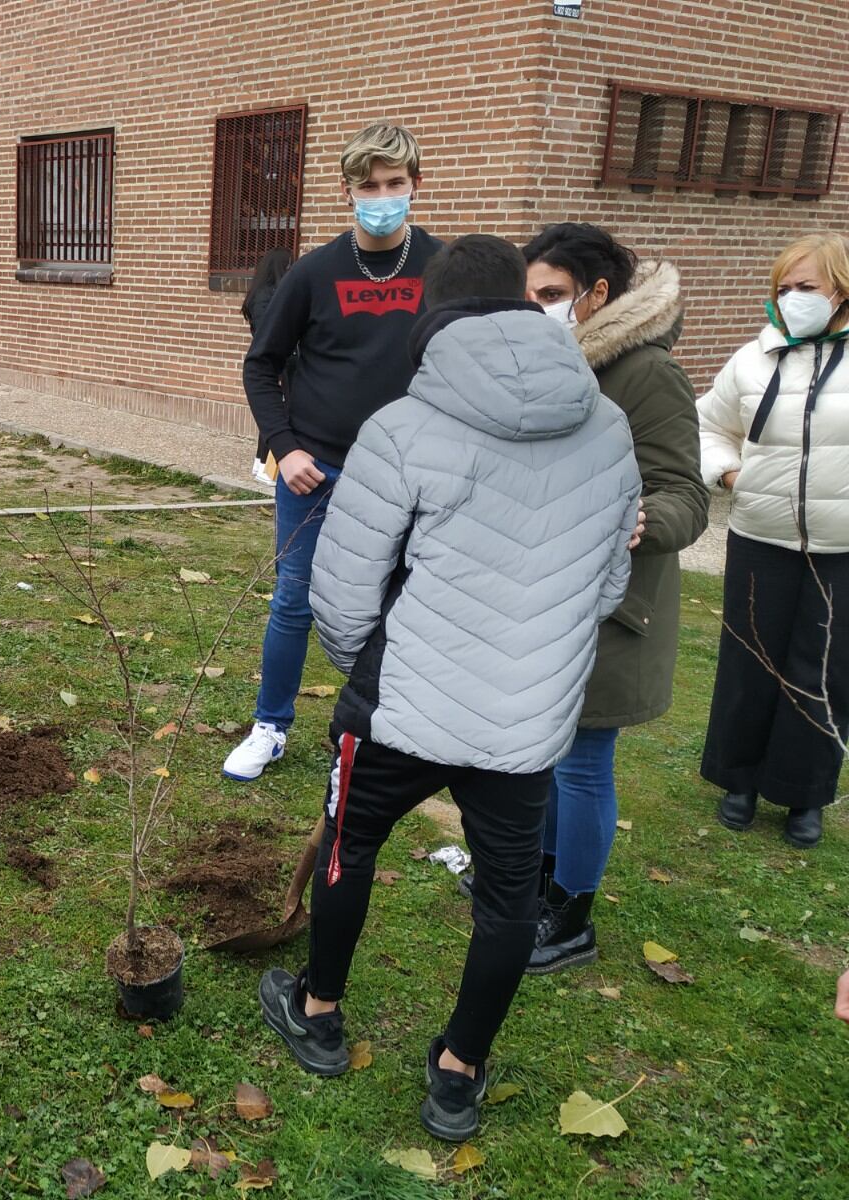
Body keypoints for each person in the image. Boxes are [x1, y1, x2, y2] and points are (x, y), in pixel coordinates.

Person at [255, 235, 640, 1142]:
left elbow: (341, 593)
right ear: (526, 307)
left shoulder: (401, 428)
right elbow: (607, 586)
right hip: (528, 719)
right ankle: (459, 1073)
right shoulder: (608, 426)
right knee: (510, 898)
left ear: (431, 318)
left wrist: (375, 668)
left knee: (352, 848)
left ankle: (317, 1011)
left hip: (401, 705)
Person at [509, 225, 706, 973]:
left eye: (552, 296)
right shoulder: (543, 365)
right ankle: (539, 880)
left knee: (583, 760)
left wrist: (638, 519)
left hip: (611, 606)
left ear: (598, 296)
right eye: (528, 297)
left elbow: (684, 494)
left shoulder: (646, 374)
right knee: (544, 755)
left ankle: (573, 914)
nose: (539, 311)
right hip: (543, 593)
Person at [224, 123, 443, 782]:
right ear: (347, 191)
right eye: (368, 185)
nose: (382, 196)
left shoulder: (444, 268)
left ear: (415, 186)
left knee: (404, 602)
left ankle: (384, 723)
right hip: (316, 470)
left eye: (394, 184)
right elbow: (261, 364)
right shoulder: (314, 273)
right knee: (295, 599)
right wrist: (283, 448)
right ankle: (270, 725)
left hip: (409, 477)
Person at [697, 232, 849, 850]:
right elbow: (709, 424)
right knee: (749, 660)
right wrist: (730, 474)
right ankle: (739, 780)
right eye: (783, 288)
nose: (791, 299)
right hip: (760, 535)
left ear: (839, 287)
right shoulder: (753, 358)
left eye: (805, 287)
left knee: (822, 670)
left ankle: (804, 793)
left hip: (841, 549)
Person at [241, 247, 292, 484]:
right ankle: (264, 464)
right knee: (276, 410)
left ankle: (261, 463)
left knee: (276, 409)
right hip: (276, 360)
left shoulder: (262, 292)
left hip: (279, 359)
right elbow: (267, 332)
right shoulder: (266, 295)